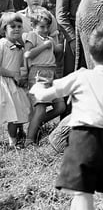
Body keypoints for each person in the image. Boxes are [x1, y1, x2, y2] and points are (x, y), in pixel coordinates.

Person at [30, 27, 103, 210]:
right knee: (82, 189)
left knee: (83, 193)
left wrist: (37, 87)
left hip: (84, 141)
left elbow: (45, 94)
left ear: (91, 55)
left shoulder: (81, 75)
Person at [23, 9, 65, 146]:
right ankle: (29, 140)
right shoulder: (32, 36)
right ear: (33, 26)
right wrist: (44, 47)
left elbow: (57, 52)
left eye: (47, 26)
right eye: (42, 26)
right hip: (38, 74)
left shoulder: (50, 39)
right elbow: (27, 54)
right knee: (40, 108)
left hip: (52, 74)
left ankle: (36, 124)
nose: (45, 29)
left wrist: (61, 45)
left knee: (60, 107)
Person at [0, 13, 31, 147]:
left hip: (16, 84)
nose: (17, 29)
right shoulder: (2, 44)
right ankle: (12, 142)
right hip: (5, 83)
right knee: (13, 114)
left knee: (21, 111)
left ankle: (20, 133)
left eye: (19, 26)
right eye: (12, 26)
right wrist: (13, 74)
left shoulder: (21, 47)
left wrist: (22, 77)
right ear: (4, 29)